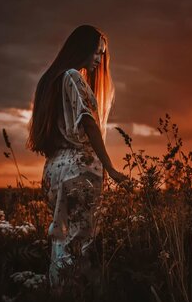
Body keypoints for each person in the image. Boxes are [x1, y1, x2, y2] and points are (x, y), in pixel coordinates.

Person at [26, 25, 128, 287]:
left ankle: (57, 297)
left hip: (54, 168)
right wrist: (111, 167)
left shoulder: (50, 80)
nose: (98, 59)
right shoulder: (72, 76)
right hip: (78, 169)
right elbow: (88, 122)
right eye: (96, 52)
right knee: (80, 242)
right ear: (82, 48)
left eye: (101, 54)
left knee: (61, 239)